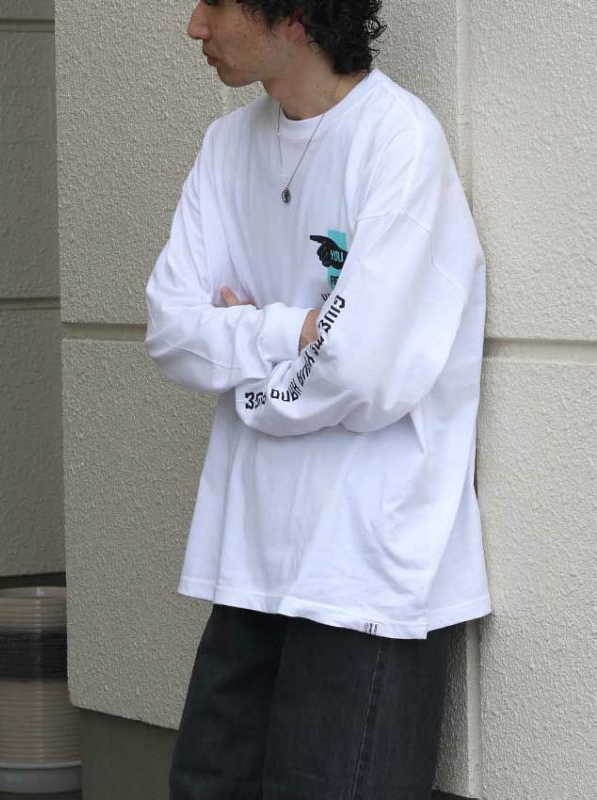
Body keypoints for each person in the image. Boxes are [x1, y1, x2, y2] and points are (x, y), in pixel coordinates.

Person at [144, 1, 492, 797]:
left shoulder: (398, 142)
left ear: (295, 17)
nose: (196, 25)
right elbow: (170, 329)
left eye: (217, 3)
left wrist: (248, 378)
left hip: (365, 569)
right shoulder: (226, 146)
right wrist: (295, 329)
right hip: (248, 560)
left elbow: (362, 370)